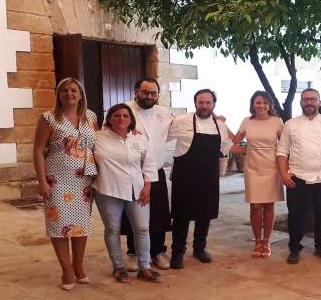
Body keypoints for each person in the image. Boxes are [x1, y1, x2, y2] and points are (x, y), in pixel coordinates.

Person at [33, 77, 98, 291]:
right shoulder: (49, 118)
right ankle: (66, 270)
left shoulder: (91, 117)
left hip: (84, 180)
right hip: (57, 180)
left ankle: (78, 267)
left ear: (80, 95)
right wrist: (42, 181)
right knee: (58, 224)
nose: (69, 94)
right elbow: (38, 151)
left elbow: (98, 145)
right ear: (59, 95)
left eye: (73, 90)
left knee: (81, 224)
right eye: (64, 91)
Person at [92, 103, 162, 283]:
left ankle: (144, 267)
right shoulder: (97, 138)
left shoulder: (139, 139)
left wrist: (148, 187)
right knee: (112, 229)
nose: (121, 119)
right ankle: (118, 267)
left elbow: (149, 165)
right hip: (108, 190)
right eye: (116, 115)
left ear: (131, 120)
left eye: (125, 116)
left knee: (142, 228)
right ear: (109, 119)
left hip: (137, 190)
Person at [277, 88, 321, 265]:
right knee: (295, 215)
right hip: (296, 177)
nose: (309, 102)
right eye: (305, 99)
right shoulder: (290, 124)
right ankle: (294, 247)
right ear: (300, 102)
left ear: (319, 102)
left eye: (313, 99)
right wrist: (283, 173)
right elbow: (282, 150)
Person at [168, 89, 232, 269]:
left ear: (214, 104)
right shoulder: (182, 121)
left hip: (209, 175)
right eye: (201, 102)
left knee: (205, 214)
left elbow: (225, 146)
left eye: (208, 102)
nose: (204, 106)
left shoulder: (220, 125)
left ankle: (199, 249)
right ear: (195, 103)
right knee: (182, 216)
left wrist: (221, 171)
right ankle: (177, 252)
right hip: (185, 175)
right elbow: (162, 138)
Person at [120, 78, 174, 271]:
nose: (149, 96)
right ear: (136, 91)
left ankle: (158, 252)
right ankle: (133, 254)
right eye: (145, 92)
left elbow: (178, 129)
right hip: (131, 173)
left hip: (156, 172)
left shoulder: (163, 113)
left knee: (158, 215)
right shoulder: (124, 109)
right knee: (132, 216)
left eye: (153, 93)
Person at [232, 91, 284, 258]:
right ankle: (256, 240)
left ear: (270, 105)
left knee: (269, 205)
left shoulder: (277, 121)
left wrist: (286, 168)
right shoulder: (247, 121)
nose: (261, 105)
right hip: (253, 166)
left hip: (272, 167)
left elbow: (285, 145)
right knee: (255, 206)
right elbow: (235, 140)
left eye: (265, 102)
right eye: (258, 102)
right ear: (253, 104)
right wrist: (221, 124)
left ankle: (266, 241)